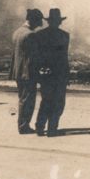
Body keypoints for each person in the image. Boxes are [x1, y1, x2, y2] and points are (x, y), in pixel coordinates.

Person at [35, 8, 70, 137]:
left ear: (49, 21)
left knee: (46, 101)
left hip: (45, 74)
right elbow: (64, 57)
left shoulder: (39, 35)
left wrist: (39, 71)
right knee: (58, 102)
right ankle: (52, 129)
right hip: (59, 73)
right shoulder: (64, 35)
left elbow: (37, 56)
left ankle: (40, 127)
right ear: (59, 22)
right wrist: (67, 75)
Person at [10, 9, 43, 134]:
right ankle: (24, 126)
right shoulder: (30, 34)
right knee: (28, 100)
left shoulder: (17, 32)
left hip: (18, 71)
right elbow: (34, 57)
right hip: (28, 72)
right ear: (33, 20)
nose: (38, 25)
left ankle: (23, 125)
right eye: (38, 22)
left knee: (23, 98)